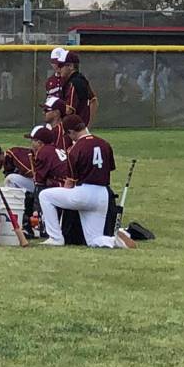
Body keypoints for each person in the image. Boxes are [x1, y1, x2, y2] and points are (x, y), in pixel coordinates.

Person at [38, 115, 136, 248]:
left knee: (45, 196)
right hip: (103, 195)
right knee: (93, 240)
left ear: (72, 132)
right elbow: (109, 169)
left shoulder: (75, 149)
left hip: (84, 193)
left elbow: (70, 181)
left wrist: (64, 200)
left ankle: (55, 238)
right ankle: (117, 240)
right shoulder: (104, 144)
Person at [56, 51, 98, 127]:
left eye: (61, 66)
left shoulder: (73, 83)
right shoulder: (82, 79)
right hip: (81, 127)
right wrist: (88, 124)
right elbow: (94, 101)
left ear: (71, 66)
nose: (59, 69)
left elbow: (69, 110)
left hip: (73, 130)